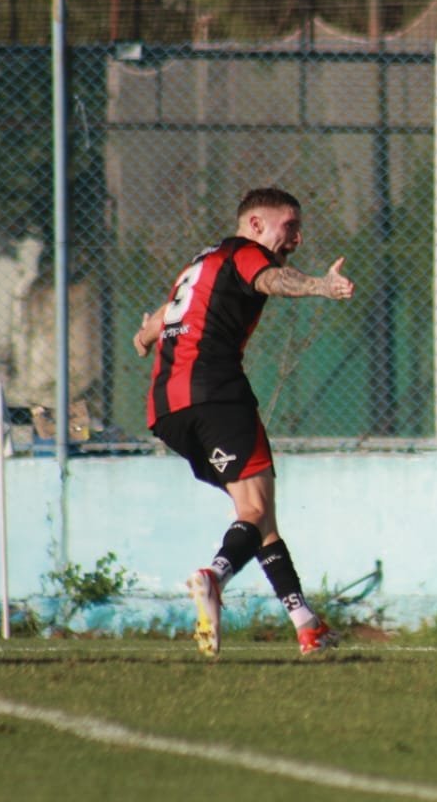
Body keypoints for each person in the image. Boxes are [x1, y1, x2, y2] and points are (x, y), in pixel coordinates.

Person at [132, 187, 354, 657]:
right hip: (216, 394)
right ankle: (215, 576)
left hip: (168, 411)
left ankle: (307, 625)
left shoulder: (201, 263)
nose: (296, 238)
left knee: (259, 517)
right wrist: (322, 285)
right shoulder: (245, 253)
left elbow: (163, 319)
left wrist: (145, 335)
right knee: (254, 508)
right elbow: (272, 279)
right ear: (255, 224)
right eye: (289, 226)